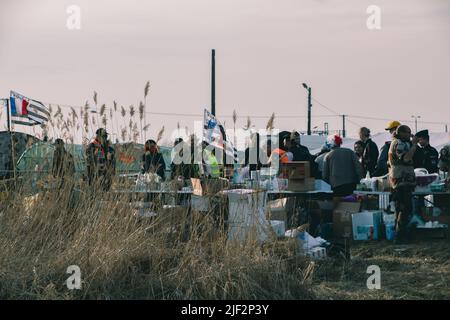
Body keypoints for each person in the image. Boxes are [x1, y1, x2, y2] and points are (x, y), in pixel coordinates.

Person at [388, 125, 418, 244]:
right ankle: (400, 236)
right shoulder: (399, 143)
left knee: (400, 207)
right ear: (401, 133)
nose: (410, 135)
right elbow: (405, 158)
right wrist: (414, 145)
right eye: (408, 132)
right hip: (401, 180)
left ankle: (399, 234)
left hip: (401, 179)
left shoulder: (399, 142)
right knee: (405, 207)